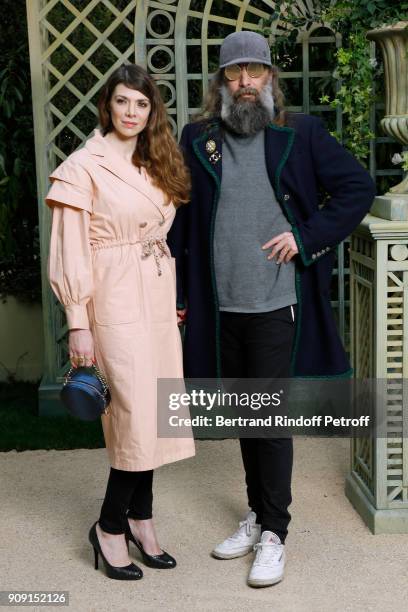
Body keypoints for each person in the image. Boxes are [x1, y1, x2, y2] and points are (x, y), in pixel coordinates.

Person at [167, 31, 376, 587]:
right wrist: (179, 296)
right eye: (234, 73)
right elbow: (183, 221)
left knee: (268, 416)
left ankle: (276, 533)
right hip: (220, 301)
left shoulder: (300, 133)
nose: (244, 82)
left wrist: (305, 239)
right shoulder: (198, 137)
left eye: (253, 71)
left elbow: (357, 187)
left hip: (277, 299)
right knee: (244, 413)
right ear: (221, 82)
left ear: (268, 79)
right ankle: (258, 516)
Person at [46, 64, 195, 581]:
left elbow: (160, 235)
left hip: (154, 296)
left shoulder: (155, 161)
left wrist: (170, 295)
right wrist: (77, 320)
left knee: (156, 410)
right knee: (133, 413)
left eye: (142, 104)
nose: (131, 113)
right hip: (109, 299)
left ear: (152, 111)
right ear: (107, 105)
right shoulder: (83, 165)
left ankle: (142, 520)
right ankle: (109, 527)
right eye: (122, 102)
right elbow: (69, 250)